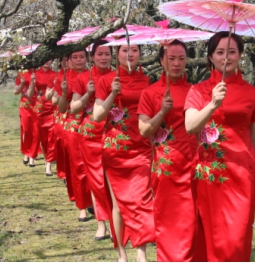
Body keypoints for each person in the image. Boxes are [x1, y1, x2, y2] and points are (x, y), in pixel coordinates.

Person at [183, 31, 255, 262]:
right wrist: (212, 103)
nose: (226, 57)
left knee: (239, 236)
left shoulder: (251, 93)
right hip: (210, 175)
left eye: (232, 51)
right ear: (210, 56)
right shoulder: (197, 91)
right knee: (213, 234)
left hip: (243, 174)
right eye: (220, 52)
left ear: (240, 55)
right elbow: (190, 127)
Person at [137, 40, 197, 262]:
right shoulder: (151, 93)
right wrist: (162, 111)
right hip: (167, 168)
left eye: (181, 58)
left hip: (194, 165)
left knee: (192, 220)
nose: (177, 63)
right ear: (161, 61)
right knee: (169, 220)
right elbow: (144, 130)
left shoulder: (195, 91)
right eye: (171, 58)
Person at [94, 44, 154, 262]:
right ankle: (121, 253)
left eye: (136, 50)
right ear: (116, 54)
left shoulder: (146, 81)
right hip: (116, 148)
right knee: (119, 204)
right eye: (125, 50)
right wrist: (112, 93)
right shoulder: (105, 80)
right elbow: (97, 116)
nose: (130, 54)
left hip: (142, 147)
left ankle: (141, 253)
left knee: (141, 200)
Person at [71, 40, 112, 240]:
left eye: (107, 54)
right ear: (92, 57)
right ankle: (101, 224)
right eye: (100, 54)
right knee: (96, 180)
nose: (103, 58)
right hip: (90, 134)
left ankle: (117, 224)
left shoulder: (118, 77)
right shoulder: (83, 78)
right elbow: (73, 108)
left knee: (113, 180)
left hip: (114, 133)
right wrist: (88, 92)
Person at [56, 50, 93, 222]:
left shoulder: (93, 75)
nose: (79, 60)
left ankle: (95, 200)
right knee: (78, 167)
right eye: (75, 57)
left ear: (87, 58)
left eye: (82, 57)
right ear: (68, 60)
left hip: (94, 125)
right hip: (73, 126)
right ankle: (82, 206)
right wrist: (64, 93)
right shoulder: (64, 79)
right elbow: (62, 109)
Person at [31, 61, 57, 176]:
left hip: (53, 107)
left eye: (50, 60)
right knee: (43, 137)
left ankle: (48, 164)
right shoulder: (34, 74)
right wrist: (32, 82)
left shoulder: (56, 75)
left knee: (52, 137)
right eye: (45, 60)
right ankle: (44, 157)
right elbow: (29, 93)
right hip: (40, 107)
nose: (47, 62)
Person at [14, 71, 39, 166]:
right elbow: (16, 92)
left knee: (36, 132)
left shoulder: (40, 72)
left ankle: (32, 156)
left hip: (38, 105)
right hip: (25, 106)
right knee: (26, 130)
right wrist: (22, 83)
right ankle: (26, 153)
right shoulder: (21, 73)